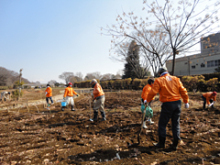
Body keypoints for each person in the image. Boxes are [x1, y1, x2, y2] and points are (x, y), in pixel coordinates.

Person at [147, 66, 189, 151]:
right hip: (177, 103)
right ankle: (175, 143)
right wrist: (186, 101)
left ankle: (161, 144)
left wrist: (147, 100)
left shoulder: (159, 80)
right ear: (167, 71)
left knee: (162, 124)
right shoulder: (176, 79)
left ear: (159, 73)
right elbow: (183, 90)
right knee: (175, 124)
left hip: (167, 104)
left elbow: (153, 92)